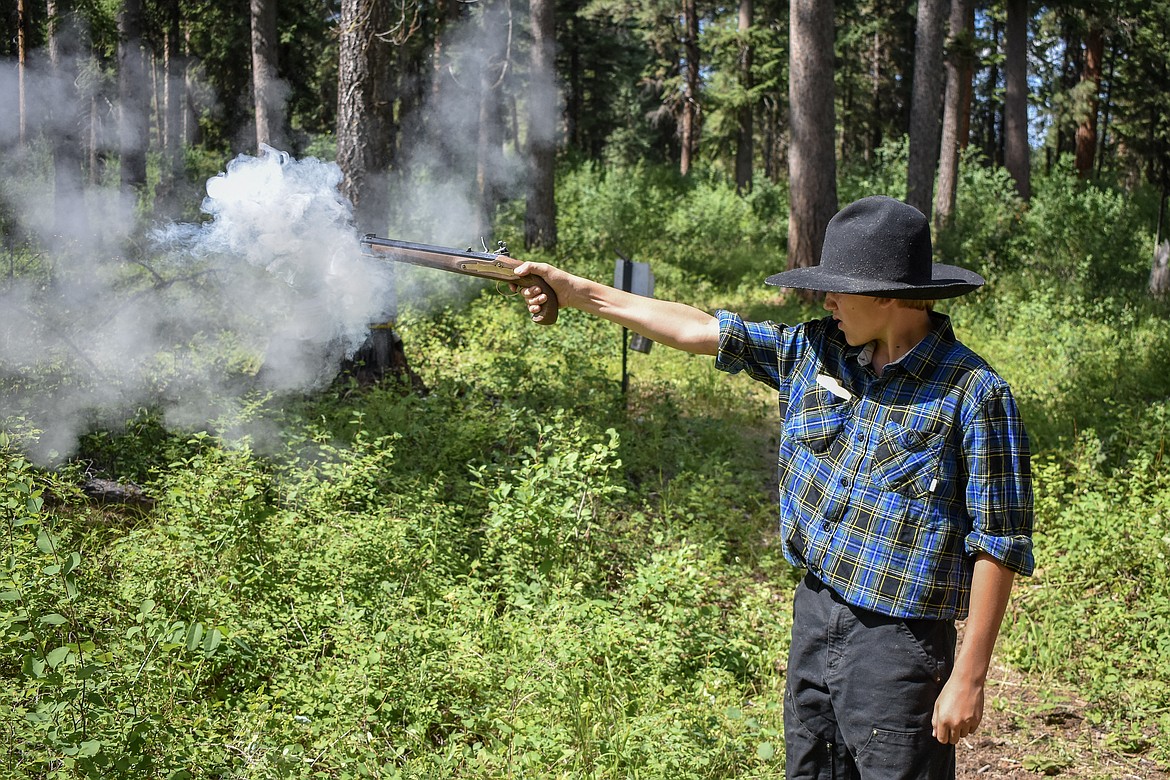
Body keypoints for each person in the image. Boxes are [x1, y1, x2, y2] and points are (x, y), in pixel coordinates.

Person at [512, 195, 1035, 780]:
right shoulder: (816, 351)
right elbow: (700, 330)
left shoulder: (975, 394)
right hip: (815, 613)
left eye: (838, 289)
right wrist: (574, 289)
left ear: (887, 295)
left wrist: (969, 676)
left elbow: (1000, 542)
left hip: (899, 648)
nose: (826, 300)